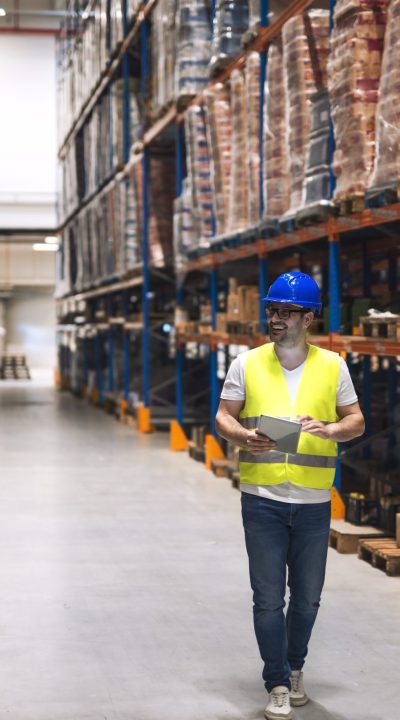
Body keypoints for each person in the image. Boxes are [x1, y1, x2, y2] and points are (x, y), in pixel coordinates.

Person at [215, 271, 364, 720]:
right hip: (261, 499)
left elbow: (355, 421)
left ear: (308, 318)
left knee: (307, 598)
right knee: (266, 598)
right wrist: (243, 437)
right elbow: (223, 416)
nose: (275, 318)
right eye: (271, 310)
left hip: (314, 503)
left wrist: (330, 428)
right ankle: (277, 681)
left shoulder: (333, 366)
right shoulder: (247, 362)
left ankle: (295, 666)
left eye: (285, 312)